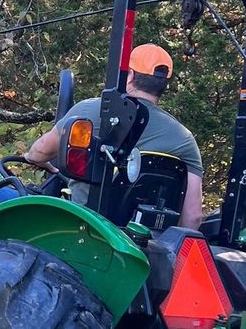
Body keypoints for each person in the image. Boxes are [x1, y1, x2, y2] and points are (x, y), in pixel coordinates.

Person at [24, 44, 203, 229]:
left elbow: (40, 151)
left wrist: (32, 158)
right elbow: (193, 218)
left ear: (130, 75)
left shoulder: (91, 110)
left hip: (80, 228)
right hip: (143, 244)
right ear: (163, 85)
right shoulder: (185, 140)